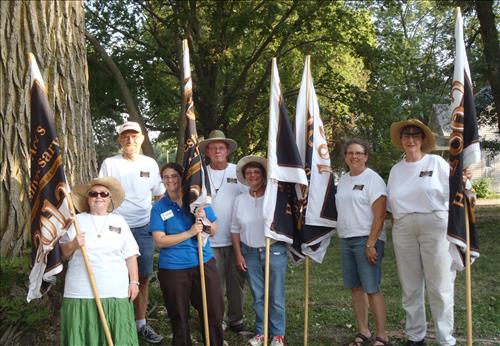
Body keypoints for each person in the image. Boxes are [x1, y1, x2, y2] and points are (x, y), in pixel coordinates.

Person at [387, 119, 455, 346]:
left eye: (416, 135)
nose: (411, 139)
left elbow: (457, 190)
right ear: (402, 140)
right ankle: (416, 336)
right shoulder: (396, 170)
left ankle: (445, 339)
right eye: (406, 135)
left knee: (440, 286)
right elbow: (389, 205)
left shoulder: (437, 163)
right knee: (410, 286)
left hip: (435, 224)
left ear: (423, 139)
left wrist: (468, 187)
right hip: (404, 228)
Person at [99, 121, 165, 343]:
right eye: (125, 136)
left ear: (142, 139)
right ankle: (116, 322)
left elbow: (160, 195)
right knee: (115, 275)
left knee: (143, 277)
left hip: (144, 229)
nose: (130, 140)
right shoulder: (110, 164)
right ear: (119, 140)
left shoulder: (151, 164)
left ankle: (140, 324)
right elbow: (101, 194)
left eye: (134, 136)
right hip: (115, 228)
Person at [149, 162, 224, 346]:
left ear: (182, 178)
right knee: (179, 316)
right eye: (166, 177)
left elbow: (214, 230)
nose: (170, 180)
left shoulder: (197, 200)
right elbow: (160, 241)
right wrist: (190, 233)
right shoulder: (159, 208)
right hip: (173, 268)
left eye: (174, 176)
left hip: (203, 262)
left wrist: (204, 220)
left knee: (213, 311)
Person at [60, 177, 140, 346]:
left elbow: (130, 255)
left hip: (115, 290)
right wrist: (73, 244)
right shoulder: (76, 221)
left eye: (104, 194)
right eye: (93, 194)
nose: (99, 197)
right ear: (87, 198)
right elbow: (62, 254)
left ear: (110, 199)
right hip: (80, 291)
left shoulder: (119, 221)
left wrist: (134, 282)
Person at [335, 139, 390, 346]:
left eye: (358, 153)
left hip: (366, 241)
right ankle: (363, 331)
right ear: (345, 156)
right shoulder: (343, 181)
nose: (354, 156)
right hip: (346, 240)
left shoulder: (373, 180)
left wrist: (371, 243)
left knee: (371, 288)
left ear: (366, 156)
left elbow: (380, 215)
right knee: (356, 288)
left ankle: (382, 335)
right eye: (350, 153)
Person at [231, 156, 288, 346]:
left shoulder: (274, 198)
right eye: (249, 173)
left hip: (274, 250)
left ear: (263, 175)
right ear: (245, 177)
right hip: (250, 253)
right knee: (258, 296)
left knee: (276, 295)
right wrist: (239, 254)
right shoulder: (240, 200)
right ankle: (261, 331)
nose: (253, 175)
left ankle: (278, 334)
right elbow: (234, 229)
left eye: (256, 172)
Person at [199, 129, 248, 334]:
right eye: (213, 147)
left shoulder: (240, 172)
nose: (217, 151)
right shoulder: (200, 173)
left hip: (237, 238)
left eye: (221, 147)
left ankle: (236, 319)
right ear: (207, 151)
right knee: (214, 284)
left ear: (227, 150)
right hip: (210, 239)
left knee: (236, 283)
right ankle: (217, 320)